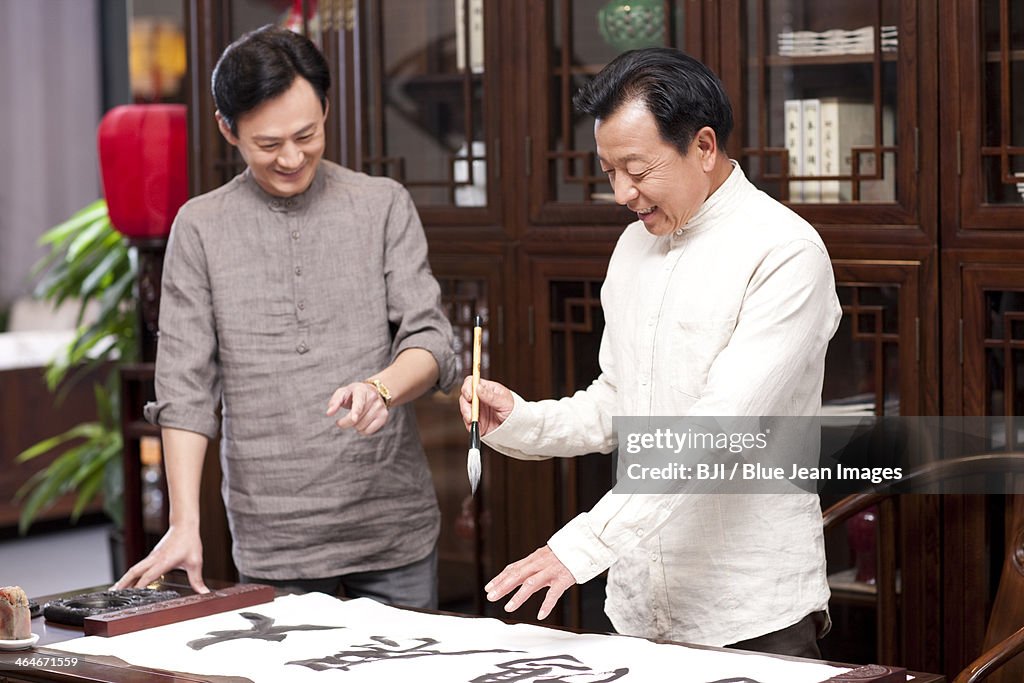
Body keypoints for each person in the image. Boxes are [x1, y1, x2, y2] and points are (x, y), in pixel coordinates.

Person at [459, 48, 842, 657]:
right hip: (641, 600)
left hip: (748, 606)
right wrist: (523, 421)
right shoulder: (634, 248)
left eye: (637, 170)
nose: (621, 193)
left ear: (705, 146)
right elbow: (618, 401)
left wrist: (580, 545)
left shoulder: (785, 251)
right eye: (609, 171)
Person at [114, 25, 457, 609]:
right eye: (268, 144)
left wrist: (382, 388)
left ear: (326, 108)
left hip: (391, 521)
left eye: (307, 133)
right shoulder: (200, 227)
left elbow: (431, 339)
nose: (293, 157)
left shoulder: (381, 204)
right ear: (228, 128)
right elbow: (185, 386)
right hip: (273, 532)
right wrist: (184, 522)